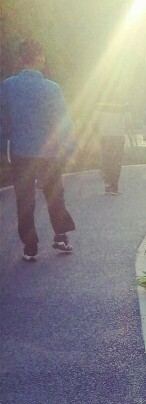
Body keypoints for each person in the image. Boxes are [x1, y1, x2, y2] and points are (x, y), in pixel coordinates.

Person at [0, 39, 76, 261]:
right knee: (54, 194)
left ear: (21, 59)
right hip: (49, 153)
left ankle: (30, 246)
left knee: (24, 199)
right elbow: (63, 121)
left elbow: (3, 121)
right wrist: (70, 147)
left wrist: (2, 146)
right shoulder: (52, 88)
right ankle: (60, 235)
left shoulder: (8, 86)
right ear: (40, 58)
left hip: (21, 152)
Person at [95, 101, 130, 194]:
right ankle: (114, 186)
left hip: (105, 135)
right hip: (118, 135)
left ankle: (107, 183)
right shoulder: (123, 105)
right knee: (116, 160)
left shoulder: (101, 105)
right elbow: (128, 120)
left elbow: (95, 120)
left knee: (106, 158)